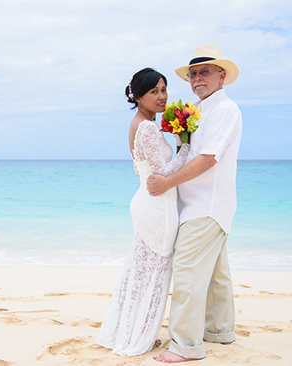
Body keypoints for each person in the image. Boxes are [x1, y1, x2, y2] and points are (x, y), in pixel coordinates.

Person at [147, 45, 242, 363]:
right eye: (193, 74)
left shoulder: (224, 110)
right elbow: (190, 151)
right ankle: (219, 331)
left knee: (186, 271)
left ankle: (185, 346)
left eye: (205, 72)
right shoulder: (198, 110)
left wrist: (165, 184)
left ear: (222, 76)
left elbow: (208, 159)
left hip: (207, 205)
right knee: (216, 273)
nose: (198, 78)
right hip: (197, 204)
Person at [97, 68, 191, 356]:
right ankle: (140, 336)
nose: (162, 97)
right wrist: (185, 145)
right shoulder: (148, 127)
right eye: (154, 92)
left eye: (164, 89)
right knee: (156, 273)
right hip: (157, 207)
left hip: (146, 202)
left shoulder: (140, 123)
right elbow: (162, 176)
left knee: (140, 271)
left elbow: (143, 169)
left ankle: (128, 330)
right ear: (138, 96)